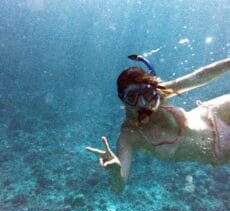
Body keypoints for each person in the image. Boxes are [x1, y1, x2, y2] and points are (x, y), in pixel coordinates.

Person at [86, 54, 230, 192]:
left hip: (217, 112)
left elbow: (201, 75)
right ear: (123, 99)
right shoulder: (129, 136)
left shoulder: (160, 94)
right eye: (132, 97)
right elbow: (119, 187)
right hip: (221, 150)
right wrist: (116, 172)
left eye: (147, 94)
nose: (142, 103)